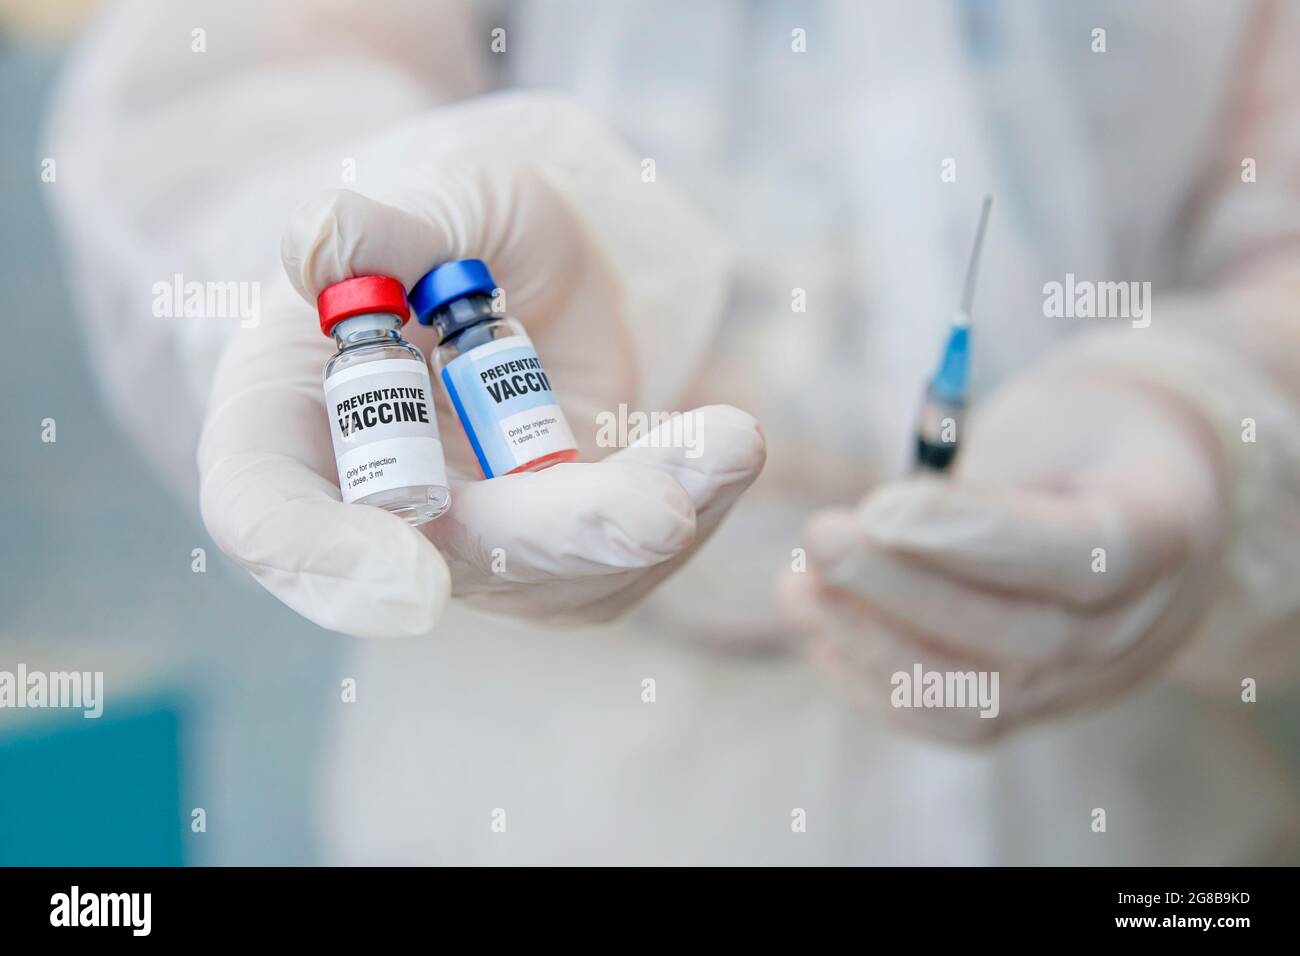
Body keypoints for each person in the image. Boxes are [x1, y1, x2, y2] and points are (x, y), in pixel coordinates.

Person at [46, 0, 1300, 863]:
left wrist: (1207, 414)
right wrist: (370, 218)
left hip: (1143, 818)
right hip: (559, 806)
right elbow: (235, 90)